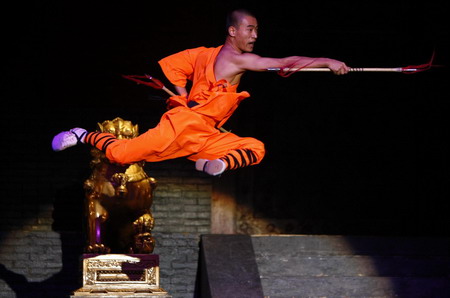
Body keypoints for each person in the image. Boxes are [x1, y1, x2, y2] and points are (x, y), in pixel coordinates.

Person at [52, 9, 350, 176]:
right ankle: (81, 134)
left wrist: (183, 95)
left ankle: (213, 163)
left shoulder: (204, 54)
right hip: (180, 126)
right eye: (250, 29)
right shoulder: (234, 58)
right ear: (233, 31)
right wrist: (329, 61)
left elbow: (175, 68)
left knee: (255, 148)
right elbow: (285, 63)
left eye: (257, 30)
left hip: (207, 133)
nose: (255, 36)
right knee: (120, 153)